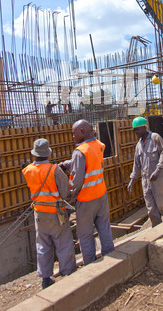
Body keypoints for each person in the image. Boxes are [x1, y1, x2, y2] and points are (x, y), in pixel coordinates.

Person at [22, 138, 76, 289]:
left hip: (39, 212)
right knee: (63, 242)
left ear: (34, 154)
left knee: (43, 245)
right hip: (56, 212)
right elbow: (65, 193)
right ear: (48, 153)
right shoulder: (55, 170)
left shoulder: (27, 170)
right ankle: (68, 273)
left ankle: (46, 278)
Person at [59, 120, 114, 265]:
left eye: (74, 133)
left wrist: (68, 194)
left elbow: (76, 182)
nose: (73, 136)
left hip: (86, 199)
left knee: (85, 235)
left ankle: (90, 265)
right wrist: (68, 164)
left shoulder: (79, 152)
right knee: (104, 229)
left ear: (82, 131)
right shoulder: (98, 145)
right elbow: (90, 162)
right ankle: (110, 259)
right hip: (101, 195)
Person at [128, 117, 163, 228]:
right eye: (134, 130)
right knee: (151, 208)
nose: (136, 132)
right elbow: (137, 164)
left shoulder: (155, 138)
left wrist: (158, 169)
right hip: (145, 180)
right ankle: (157, 229)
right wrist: (132, 179)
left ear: (145, 127)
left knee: (162, 205)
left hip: (158, 177)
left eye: (138, 129)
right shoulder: (139, 145)